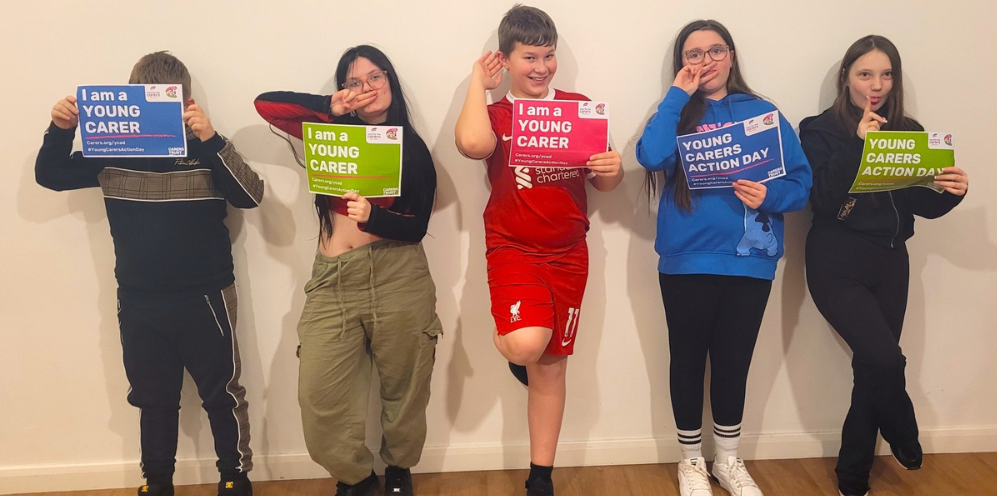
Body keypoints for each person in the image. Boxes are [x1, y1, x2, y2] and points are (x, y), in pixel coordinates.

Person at [36, 51, 263, 496]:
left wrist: (213, 138)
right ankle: (157, 483)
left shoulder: (206, 147)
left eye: (169, 102)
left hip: (207, 296)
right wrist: (61, 129)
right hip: (140, 299)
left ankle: (235, 480)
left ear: (186, 101)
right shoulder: (110, 149)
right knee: (153, 399)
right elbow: (51, 175)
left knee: (223, 394)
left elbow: (250, 196)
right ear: (129, 101)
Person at [254, 45, 441, 496]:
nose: (367, 88)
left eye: (376, 77)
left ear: (391, 83)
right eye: (355, 81)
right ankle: (357, 477)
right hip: (334, 279)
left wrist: (372, 217)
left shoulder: (411, 149)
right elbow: (265, 105)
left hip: (398, 274)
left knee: (406, 388)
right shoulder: (329, 132)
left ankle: (399, 471)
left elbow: (417, 228)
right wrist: (329, 106)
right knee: (318, 396)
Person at [635, 20, 812, 496]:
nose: (706, 61)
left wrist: (768, 194)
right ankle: (691, 461)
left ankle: (728, 461)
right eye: (693, 54)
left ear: (731, 56)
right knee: (687, 360)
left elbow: (800, 185)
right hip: (686, 260)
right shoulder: (674, 112)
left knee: (734, 362)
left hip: (751, 261)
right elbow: (650, 157)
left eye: (715, 51)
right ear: (682, 64)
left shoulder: (763, 112)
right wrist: (676, 95)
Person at [454, 5, 623, 496]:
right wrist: (476, 83)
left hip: (570, 252)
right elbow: (470, 144)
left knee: (551, 367)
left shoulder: (577, 107)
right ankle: (512, 344)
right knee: (529, 345)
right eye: (530, 57)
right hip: (513, 248)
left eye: (548, 56)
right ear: (506, 60)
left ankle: (540, 478)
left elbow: (606, 185)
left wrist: (611, 166)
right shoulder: (495, 113)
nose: (542, 67)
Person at [799, 35, 968, 496]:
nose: (877, 85)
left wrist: (951, 193)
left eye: (886, 74)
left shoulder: (909, 130)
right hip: (837, 259)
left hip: (892, 261)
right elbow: (825, 201)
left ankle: (852, 479)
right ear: (846, 79)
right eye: (865, 74)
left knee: (871, 368)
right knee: (886, 360)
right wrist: (859, 145)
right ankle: (904, 431)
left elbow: (919, 204)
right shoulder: (818, 129)